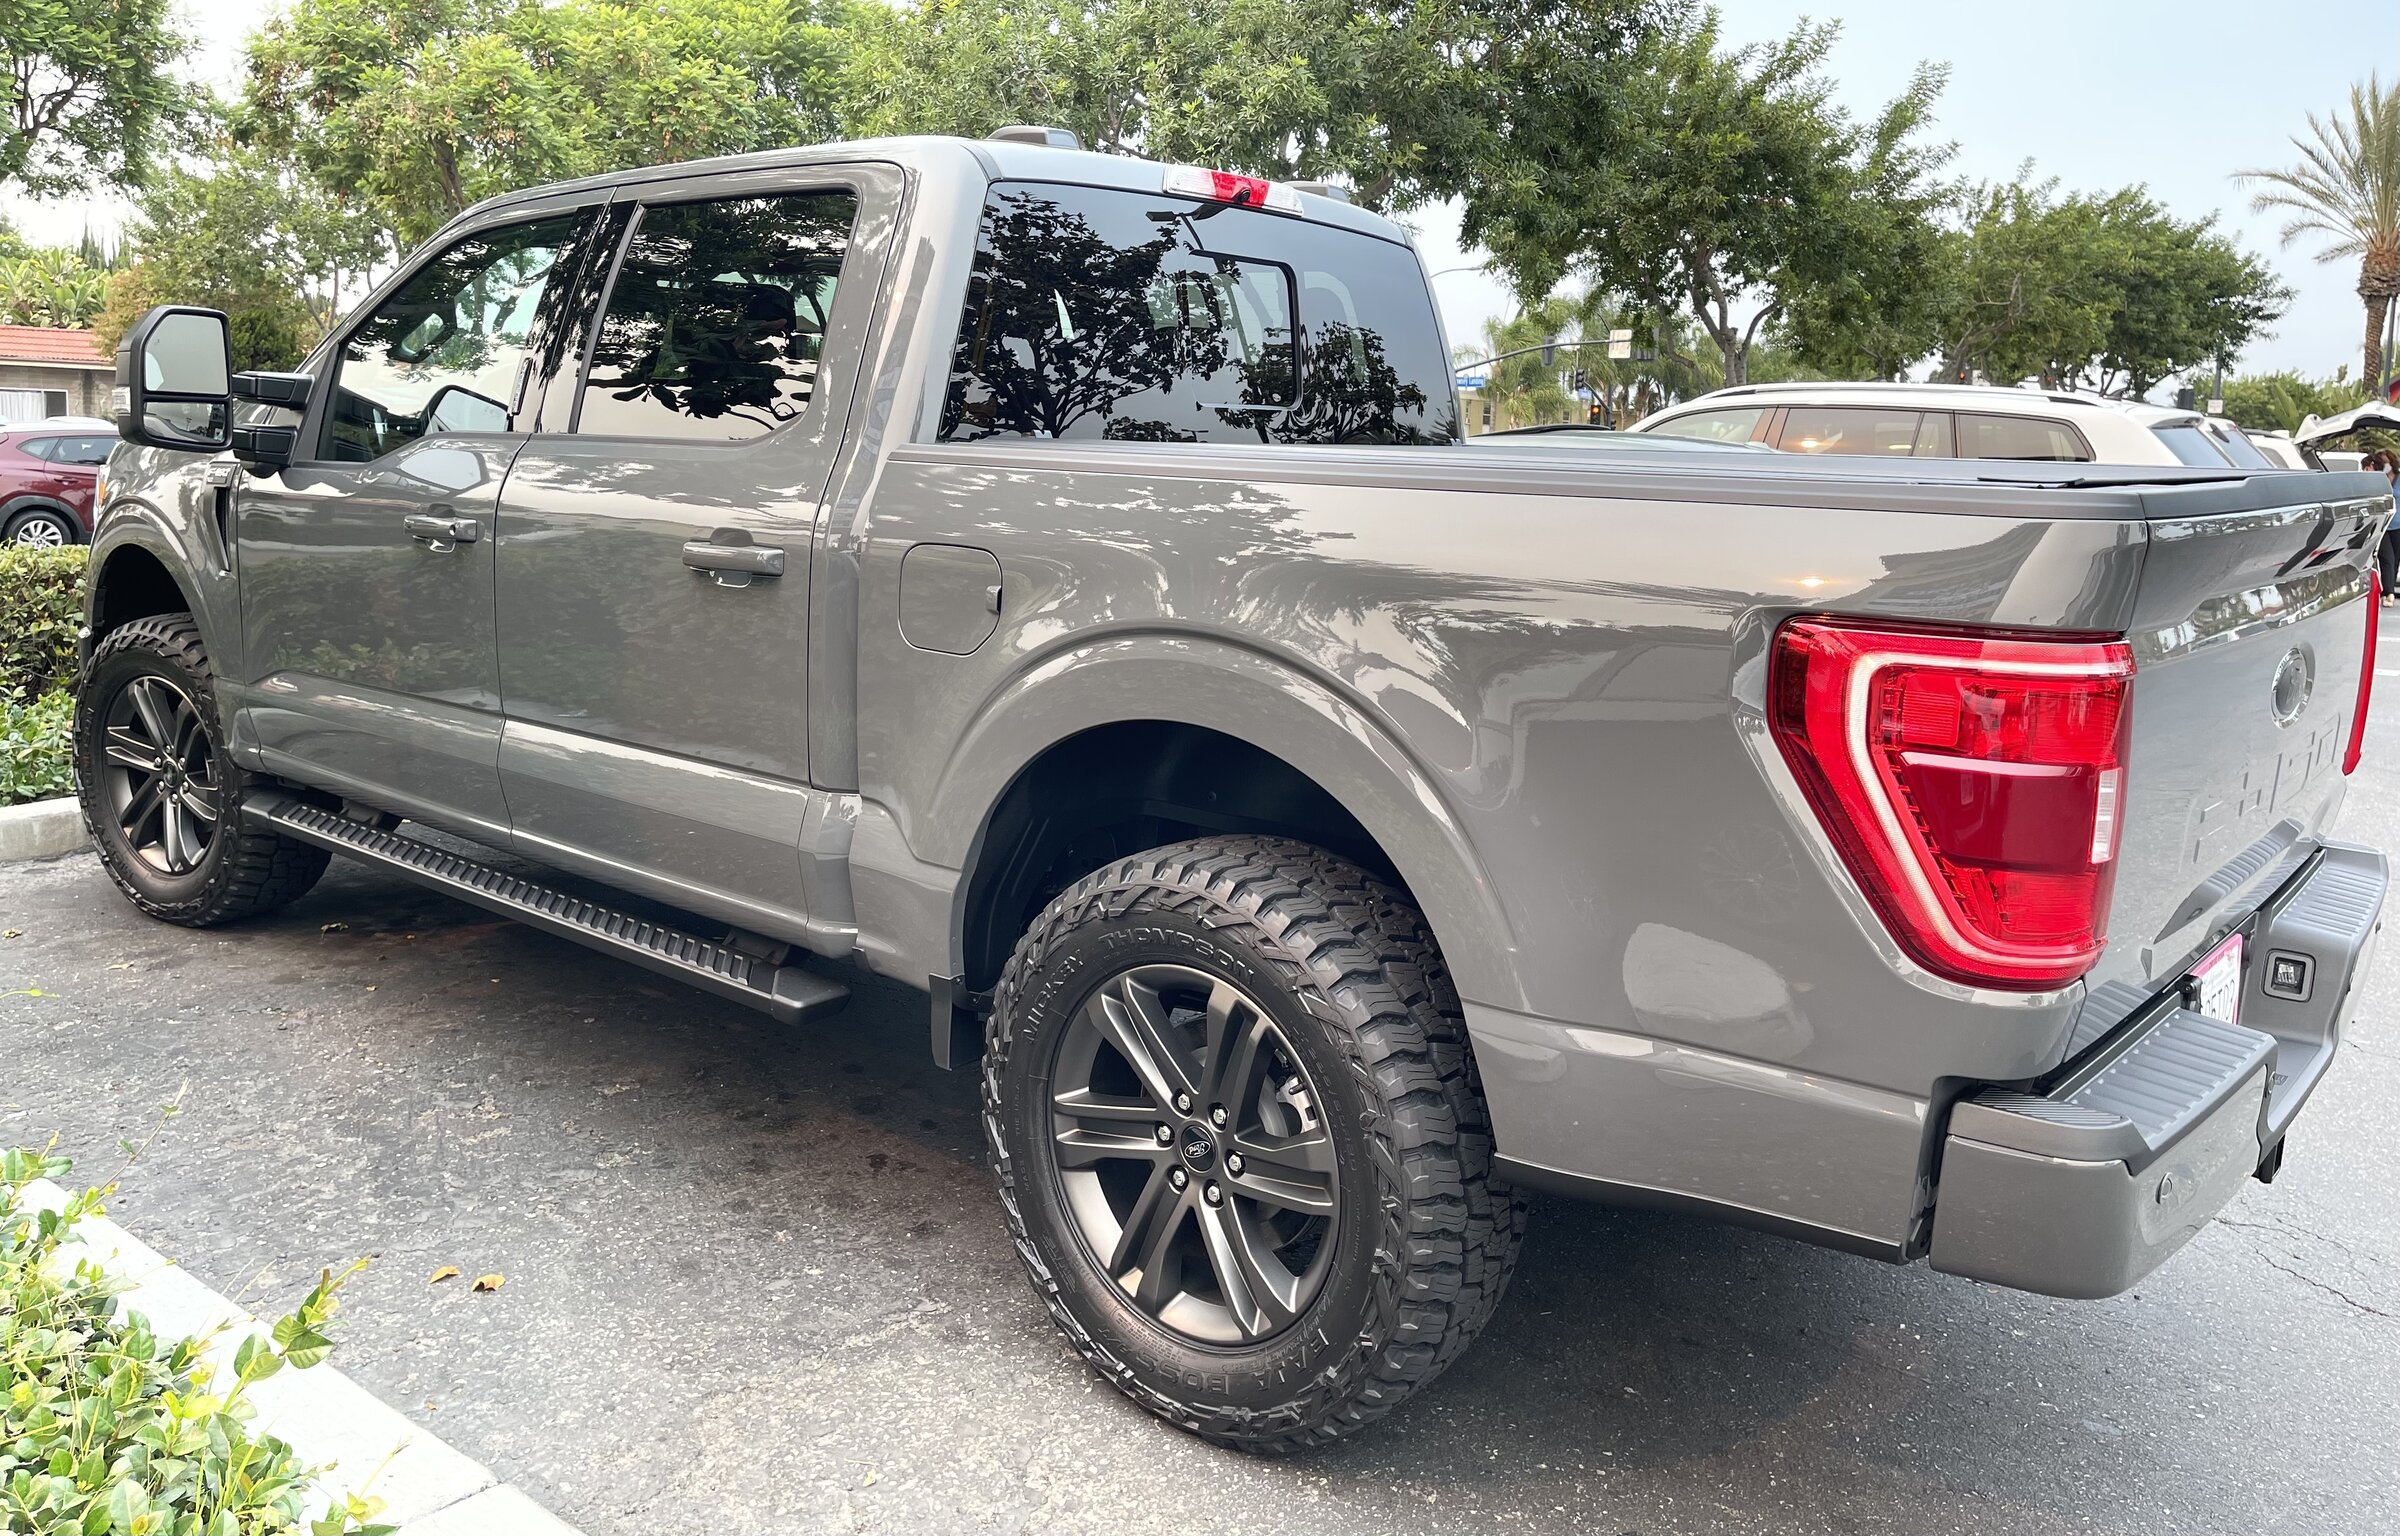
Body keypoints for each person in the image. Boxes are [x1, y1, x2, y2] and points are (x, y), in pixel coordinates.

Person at [2372, 450, 2400, 604]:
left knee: (2395, 559)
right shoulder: (2379, 478)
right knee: (2387, 558)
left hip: (2398, 525)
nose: (2385, 465)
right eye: (2382, 463)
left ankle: (2389, 590)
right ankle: (2388, 591)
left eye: (2386, 462)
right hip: (2384, 524)